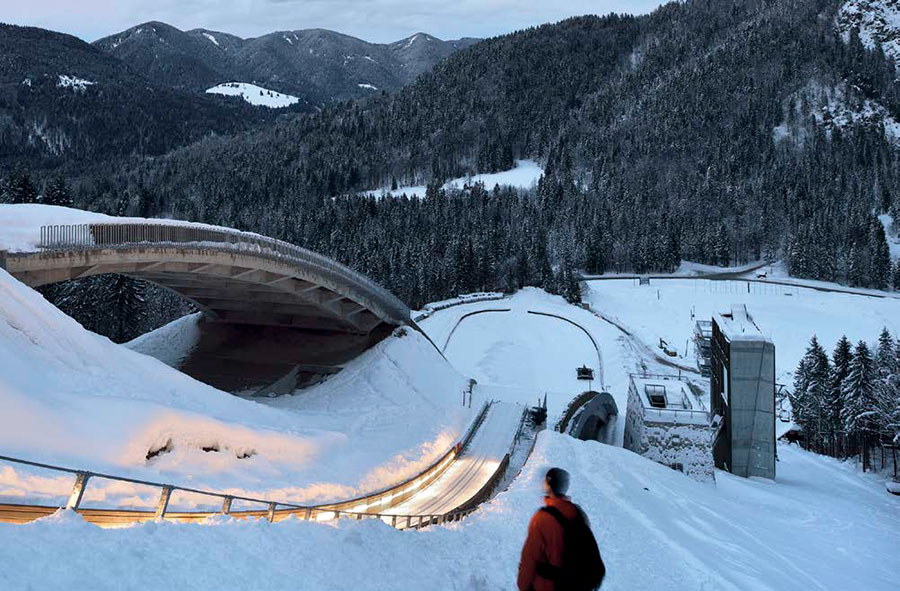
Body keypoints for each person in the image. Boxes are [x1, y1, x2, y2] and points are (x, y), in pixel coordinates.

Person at [517, 467, 605, 591]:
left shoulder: (542, 518)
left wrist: (523, 586)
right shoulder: (579, 513)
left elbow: (530, 557)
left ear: (548, 485)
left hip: (547, 585)